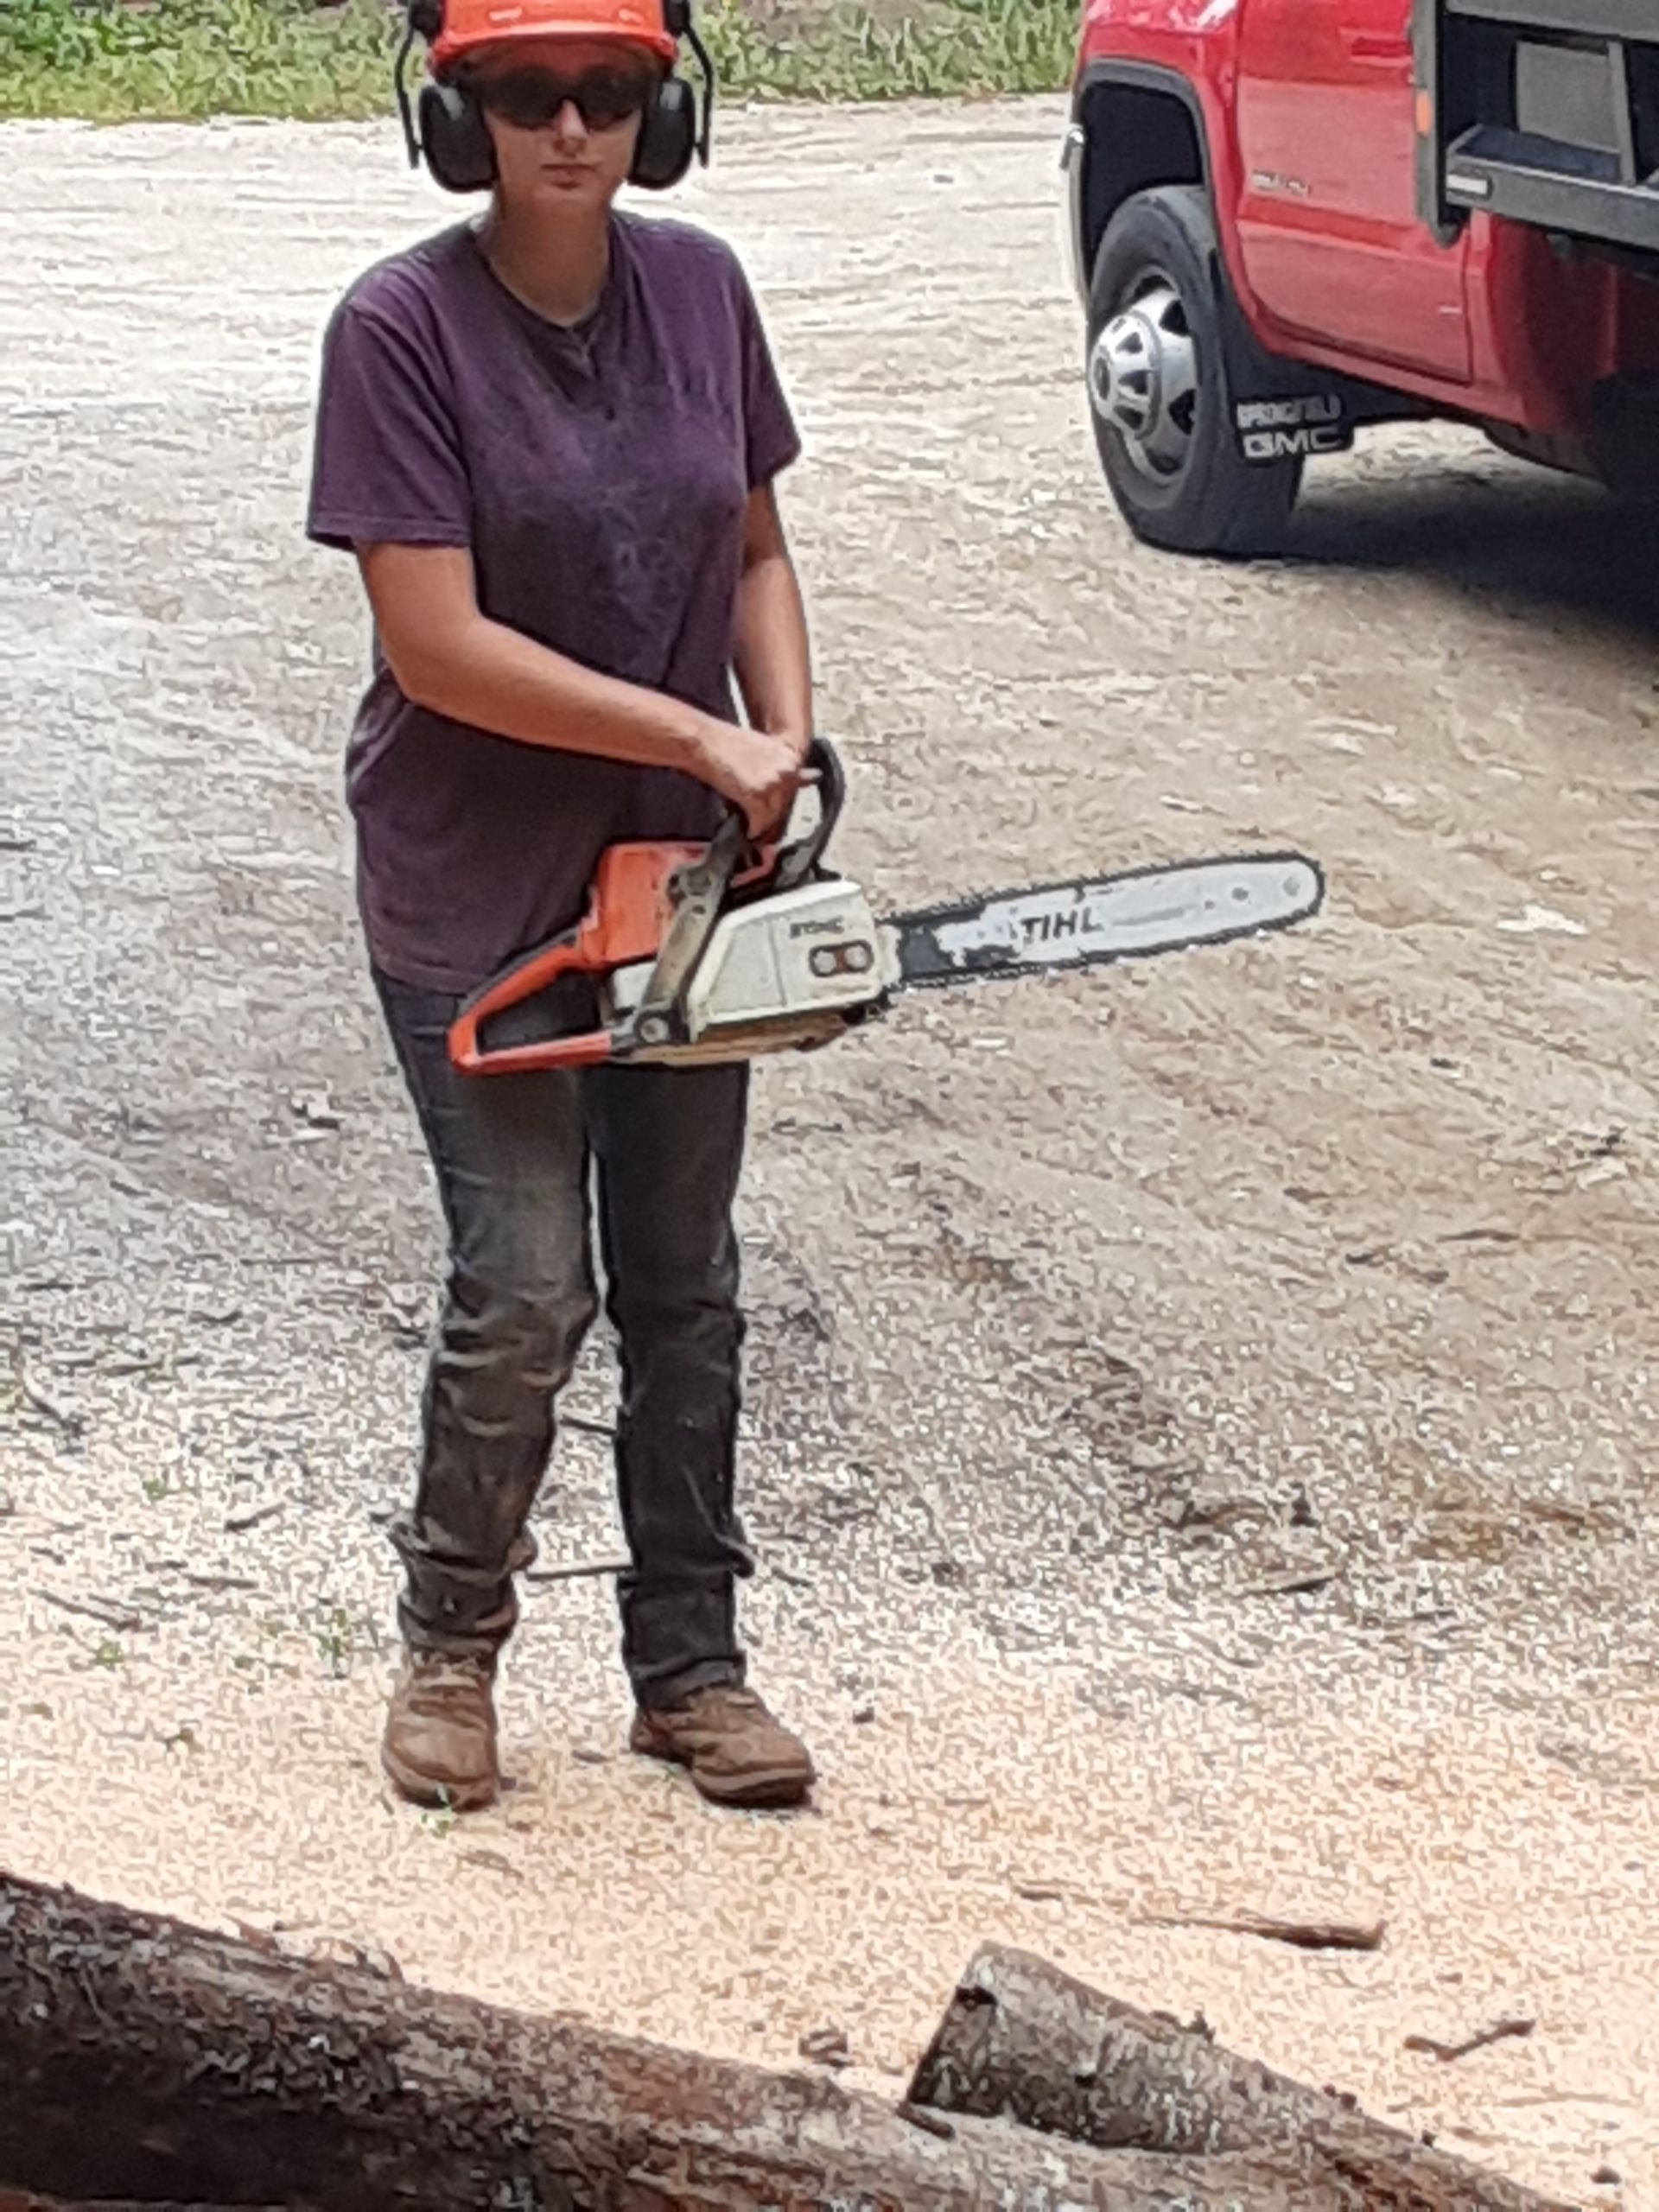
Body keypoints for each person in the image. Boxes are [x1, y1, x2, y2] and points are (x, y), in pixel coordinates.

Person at [306, 0, 817, 1814]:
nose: (572, 128)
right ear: (460, 118)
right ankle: (451, 1646)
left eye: (610, 92)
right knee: (528, 1280)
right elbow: (432, 643)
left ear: (660, 109)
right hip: (478, 888)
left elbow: (753, 544)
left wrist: (786, 742)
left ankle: (693, 1667)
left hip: (682, 870)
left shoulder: (704, 293)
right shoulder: (399, 330)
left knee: (690, 1285)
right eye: (526, 96)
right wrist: (695, 727)